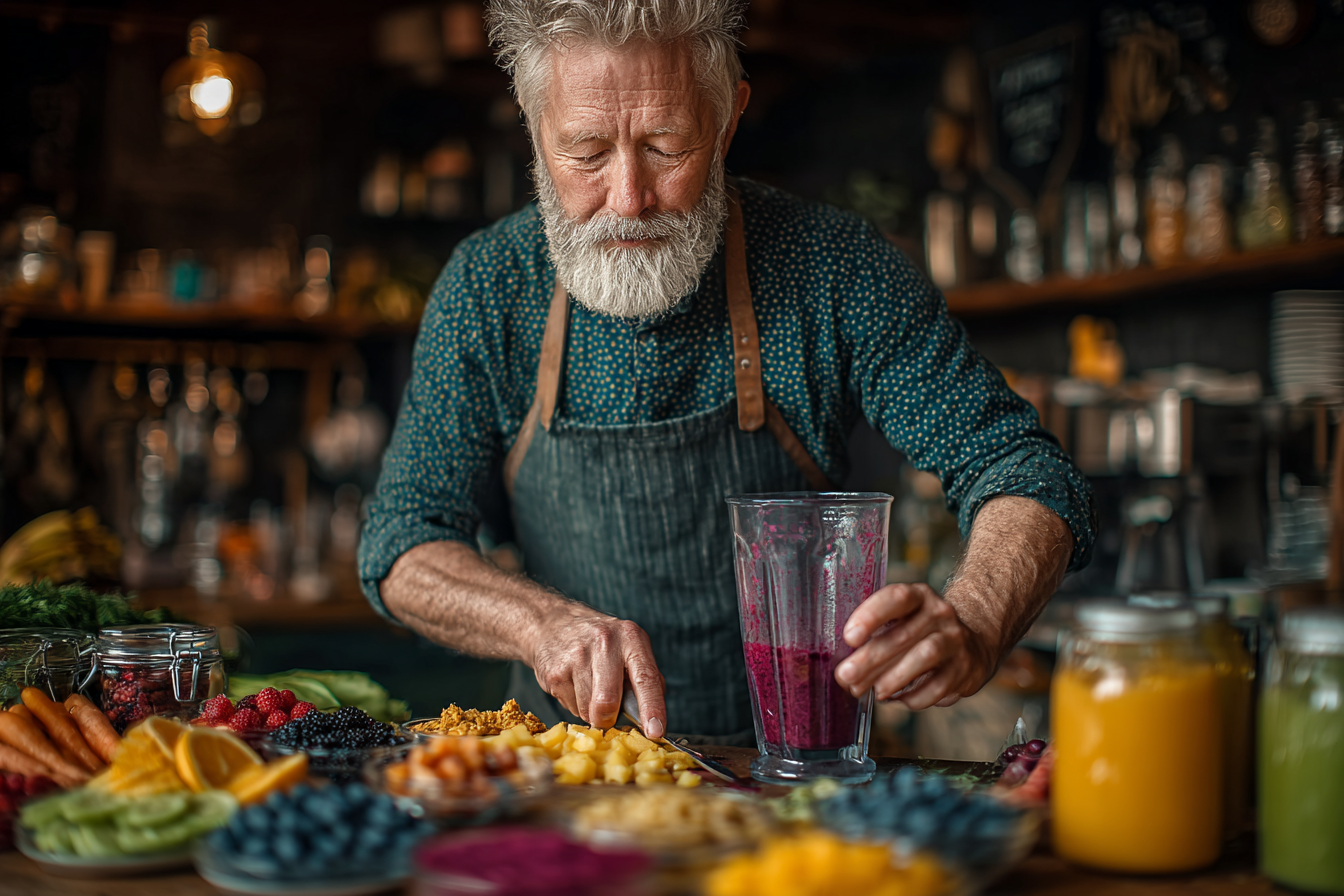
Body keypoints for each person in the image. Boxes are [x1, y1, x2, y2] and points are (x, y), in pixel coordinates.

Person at [359, 0, 1095, 744]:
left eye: (667, 145)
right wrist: (538, 621)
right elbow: (401, 542)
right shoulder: (488, 286)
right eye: (585, 153)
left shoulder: (833, 267)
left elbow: (1021, 466)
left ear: (728, 117)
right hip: (563, 779)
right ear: (531, 121)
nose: (628, 199)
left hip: (797, 776)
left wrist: (974, 618)